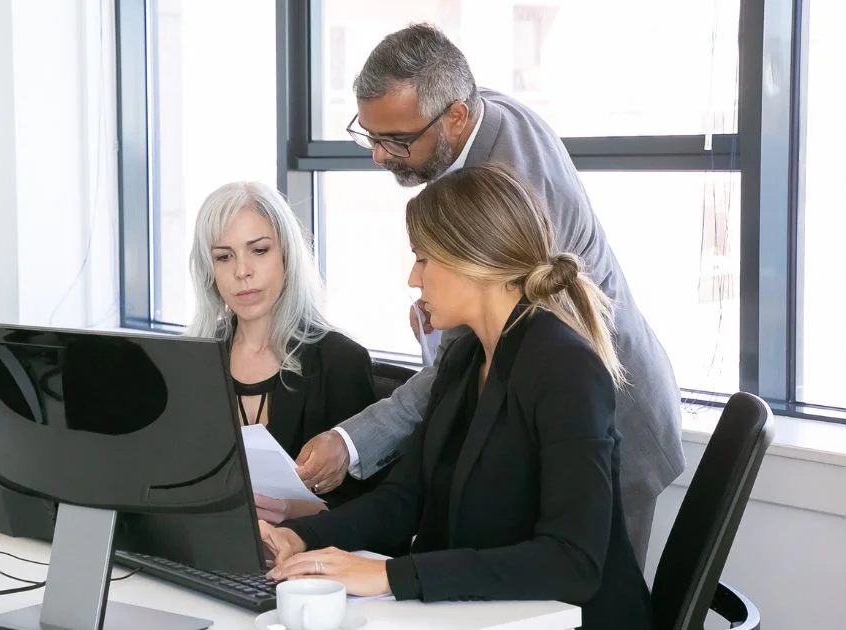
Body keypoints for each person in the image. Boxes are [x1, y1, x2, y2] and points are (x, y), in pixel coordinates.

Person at [294, 23, 684, 568]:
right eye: (369, 134)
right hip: (549, 399)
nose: (379, 157)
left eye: (397, 141)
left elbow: (569, 570)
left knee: (592, 592)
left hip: (611, 408)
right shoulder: (474, 118)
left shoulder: (513, 191)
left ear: (456, 117)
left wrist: (353, 443)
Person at [263, 164, 652, 630]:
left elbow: (571, 562)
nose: (413, 278)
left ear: (474, 259)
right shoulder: (466, 358)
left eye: (423, 259)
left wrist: (390, 574)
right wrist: (299, 537)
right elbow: (403, 500)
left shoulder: (566, 369)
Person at [186, 181, 380, 523]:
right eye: (224, 256)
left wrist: (300, 513)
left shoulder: (340, 362)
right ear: (209, 270)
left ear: (287, 256)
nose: (242, 271)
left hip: (307, 564)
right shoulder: (192, 360)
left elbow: (374, 508)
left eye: (259, 250)